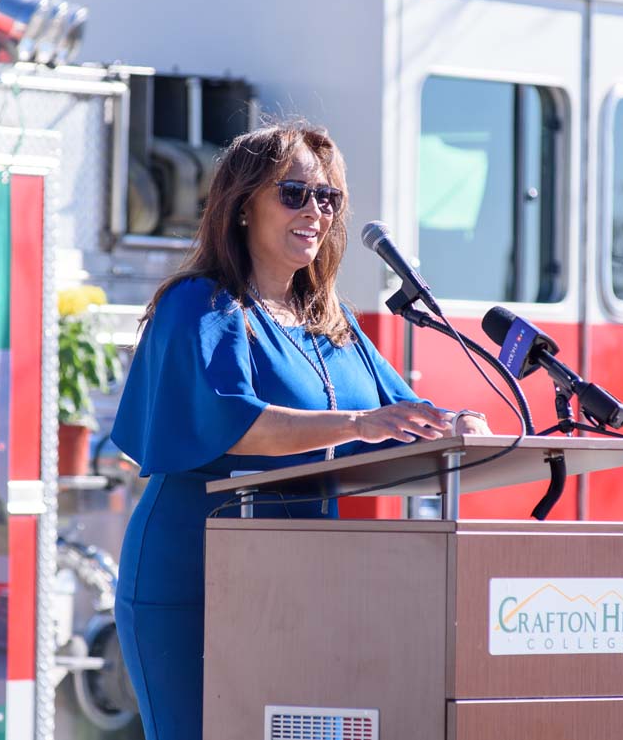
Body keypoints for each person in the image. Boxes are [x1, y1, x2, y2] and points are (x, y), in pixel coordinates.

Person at [111, 122, 490, 739]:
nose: (315, 211)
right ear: (242, 206)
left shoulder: (329, 323)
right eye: (293, 194)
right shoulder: (202, 305)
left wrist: (453, 423)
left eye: (328, 198)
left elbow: (402, 412)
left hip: (301, 580)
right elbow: (237, 423)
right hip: (194, 574)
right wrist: (361, 423)